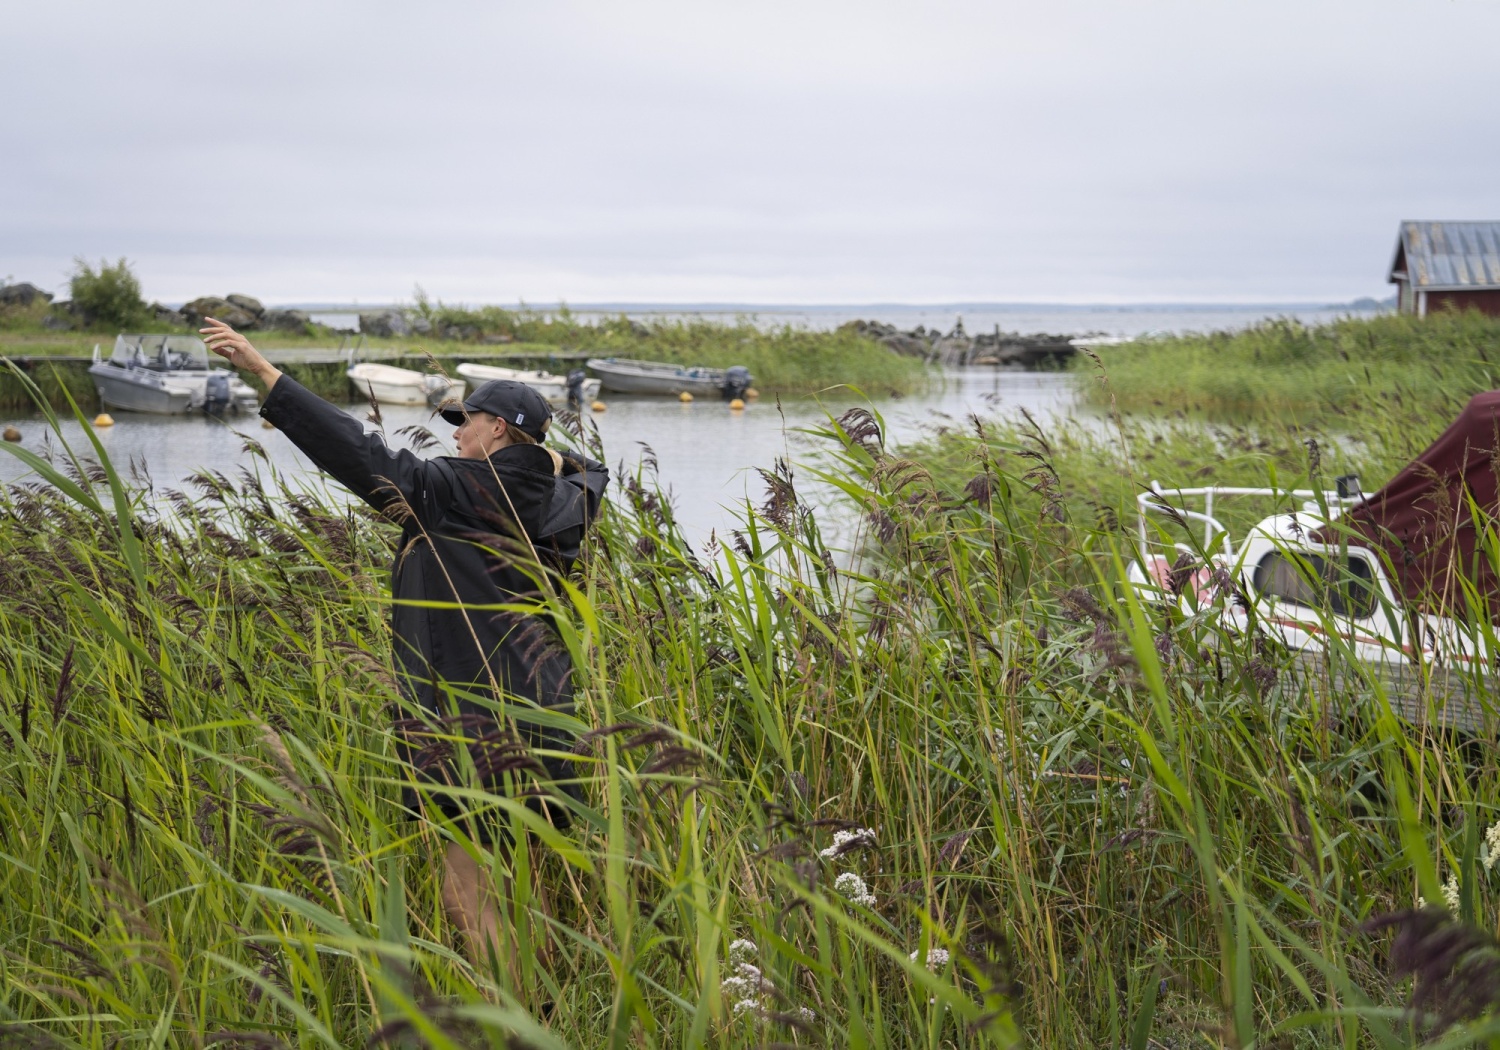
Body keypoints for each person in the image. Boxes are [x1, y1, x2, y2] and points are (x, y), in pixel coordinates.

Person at [199, 318, 608, 974]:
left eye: (465, 420)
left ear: (497, 429)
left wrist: (266, 374)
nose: (454, 431)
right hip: (547, 716)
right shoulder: (564, 501)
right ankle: (552, 1012)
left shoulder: (449, 491)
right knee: (525, 890)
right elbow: (589, 471)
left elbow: (357, 452)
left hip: (474, 722)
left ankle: (516, 1018)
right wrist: (548, 454)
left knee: (466, 893)